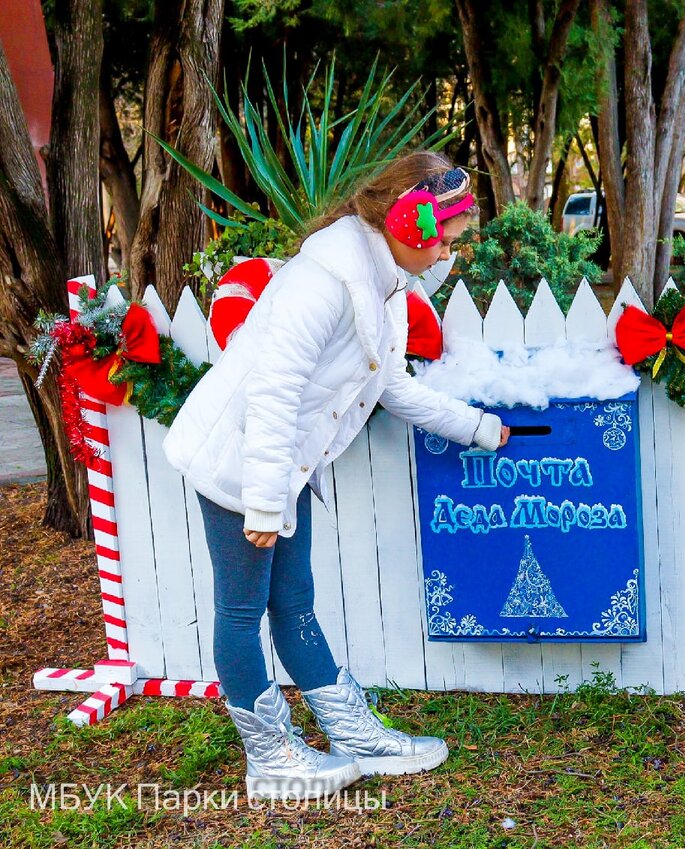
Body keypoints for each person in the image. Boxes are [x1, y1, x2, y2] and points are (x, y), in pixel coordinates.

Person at [163, 151, 509, 801]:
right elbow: (273, 391)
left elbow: (393, 386)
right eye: (446, 241)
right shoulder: (321, 280)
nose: (446, 257)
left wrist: (476, 427)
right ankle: (270, 759)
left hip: (282, 466)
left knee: (293, 600)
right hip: (241, 462)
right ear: (410, 222)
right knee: (241, 610)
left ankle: (353, 734)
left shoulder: (385, 287)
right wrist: (264, 503)